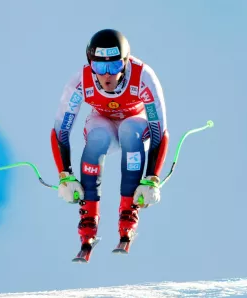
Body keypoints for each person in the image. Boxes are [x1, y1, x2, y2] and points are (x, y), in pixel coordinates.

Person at [51, 29, 169, 250]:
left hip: (135, 121)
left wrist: (152, 178)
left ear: (125, 62)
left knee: (130, 131)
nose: (107, 76)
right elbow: (60, 131)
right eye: (100, 67)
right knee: (97, 138)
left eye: (114, 67)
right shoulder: (81, 81)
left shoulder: (143, 77)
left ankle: (128, 211)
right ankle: (88, 218)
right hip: (102, 121)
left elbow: (159, 131)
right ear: (90, 64)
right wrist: (65, 175)